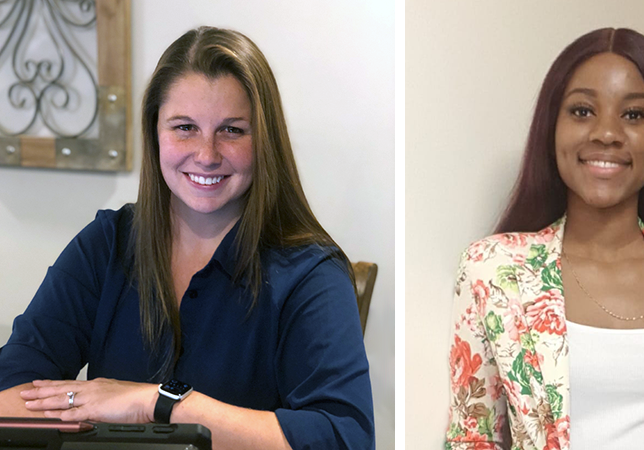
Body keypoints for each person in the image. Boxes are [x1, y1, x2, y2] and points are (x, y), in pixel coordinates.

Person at [0, 26, 374, 450]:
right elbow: (11, 393)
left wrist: (155, 402)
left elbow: (344, 439)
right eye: (184, 127)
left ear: (264, 141)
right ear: (154, 131)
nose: (207, 154)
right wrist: (81, 400)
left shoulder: (310, 274)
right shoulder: (107, 244)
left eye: (232, 130)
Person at [445, 28, 644, 450]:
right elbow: (471, 437)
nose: (607, 132)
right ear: (551, 127)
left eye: (633, 115)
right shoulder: (493, 270)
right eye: (582, 111)